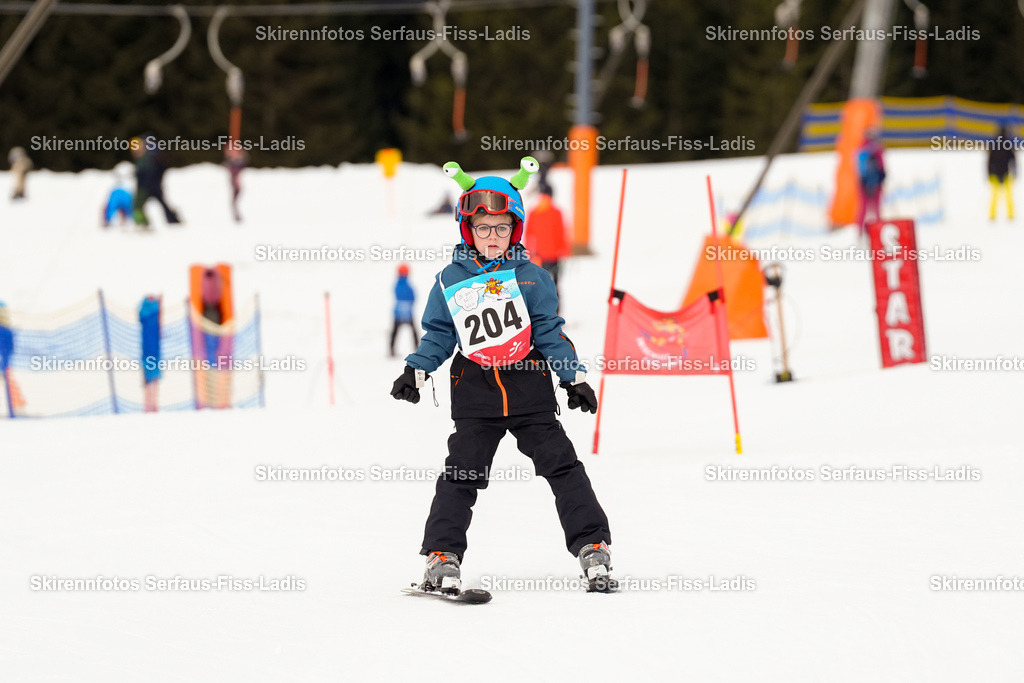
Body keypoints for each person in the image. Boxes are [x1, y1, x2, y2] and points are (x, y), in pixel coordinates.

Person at [390, 157, 615, 594]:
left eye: (501, 228)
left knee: (564, 466)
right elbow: (438, 333)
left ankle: (593, 547)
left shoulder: (532, 278)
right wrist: (415, 371)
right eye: (483, 228)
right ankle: (442, 556)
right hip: (475, 396)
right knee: (462, 474)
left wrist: (572, 378)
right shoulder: (448, 281)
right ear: (467, 230)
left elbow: (550, 332)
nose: (492, 237)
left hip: (529, 392)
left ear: (516, 229)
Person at [525, 185, 570, 308]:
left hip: (538, 256)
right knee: (554, 285)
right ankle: (556, 312)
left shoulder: (534, 212)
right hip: (554, 256)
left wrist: (529, 253)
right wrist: (565, 252)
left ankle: (541, 313)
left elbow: (529, 234)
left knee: (538, 285)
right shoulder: (556, 212)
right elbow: (561, 233)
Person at [131, 134, 181, 227]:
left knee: (137, 206)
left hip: (146, 188)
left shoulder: (146, 159)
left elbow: (148, 173)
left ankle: (143, 223)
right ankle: (173, 221)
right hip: (153, 186)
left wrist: (148, 185)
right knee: (162, 204)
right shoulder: (146, 158)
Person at [856, 130, 886, 234]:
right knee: (876, 208)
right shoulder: (877, 149)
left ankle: (860, 230)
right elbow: (882, 167)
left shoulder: (861, 149)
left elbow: (859, 169)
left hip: (863, 183)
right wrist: (882, 178)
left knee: (863, 208)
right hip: (876, 183)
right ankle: (879, 231)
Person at [987, 124, 1016, 221]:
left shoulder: (994, 144)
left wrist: (989, 173)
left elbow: (989, 160)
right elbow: (1013, 159)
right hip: (1006, 173)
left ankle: (992, 216)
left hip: (995, 173)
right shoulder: (1007, 144)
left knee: (995, 196)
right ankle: (1010, 216)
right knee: (1008, 196)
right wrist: (1015, 171)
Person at [390, 263, 419, 357]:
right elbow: (413, 297)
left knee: (395, 331)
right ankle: (418, 349)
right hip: (406, 311)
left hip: (398, 311)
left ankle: (392, 350)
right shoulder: (406, 284)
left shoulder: (397, 284)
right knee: (413, 331)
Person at [102, 162, 135, 228]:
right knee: (129, 208)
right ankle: (133, 221)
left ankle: (109, 221)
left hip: (119, 191)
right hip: (125, 192)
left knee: (112, 207)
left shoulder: (115, 189)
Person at [224, 146, 247, 223]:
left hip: (237, 186)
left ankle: (238, 217)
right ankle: (237, 217)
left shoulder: (238, 164)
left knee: (235, 202)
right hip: (234, 185)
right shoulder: (231, 163)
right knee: (233, 203)